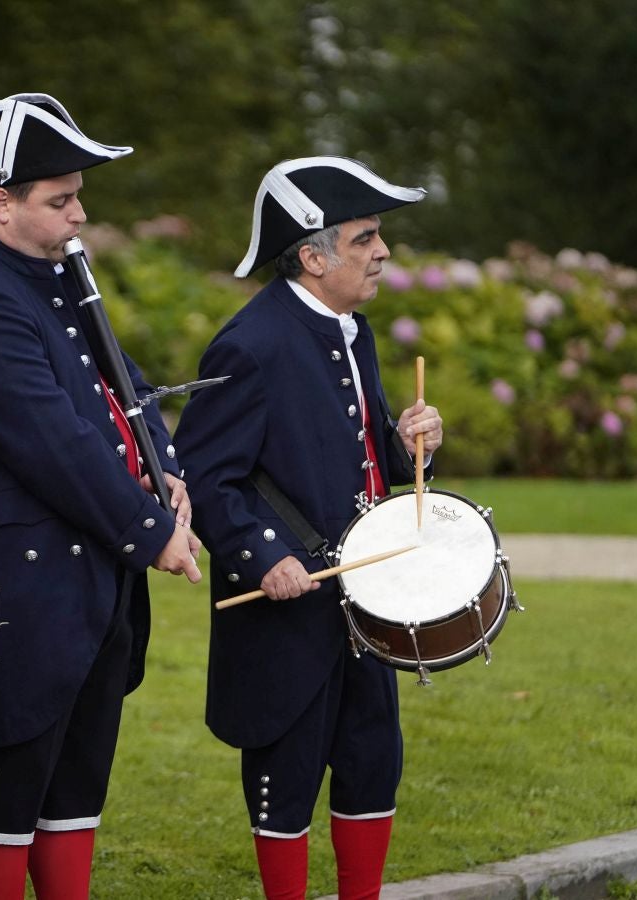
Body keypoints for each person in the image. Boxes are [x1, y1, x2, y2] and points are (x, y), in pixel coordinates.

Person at [0, 93, 202, 900]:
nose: (80, 212)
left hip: (87, 574)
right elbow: (54, 444)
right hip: (27, 577)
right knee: (12, 782)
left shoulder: (51, 273)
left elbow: (131, 390)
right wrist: (152, 530)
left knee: (76, 785)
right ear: (0, 204)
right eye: (61, 199)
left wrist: (166, 466)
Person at [172, 156, 445, 900]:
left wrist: (409, 444)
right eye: (364, 238)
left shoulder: (351, 330)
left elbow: (352, 450)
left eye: (378, 235)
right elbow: (202, 474)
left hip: (366, 597)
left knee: (369, 760)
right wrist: (261, 556)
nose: (381, 252)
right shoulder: (249, 344)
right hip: (287, 603)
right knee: (284, 774)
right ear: (312, 254)